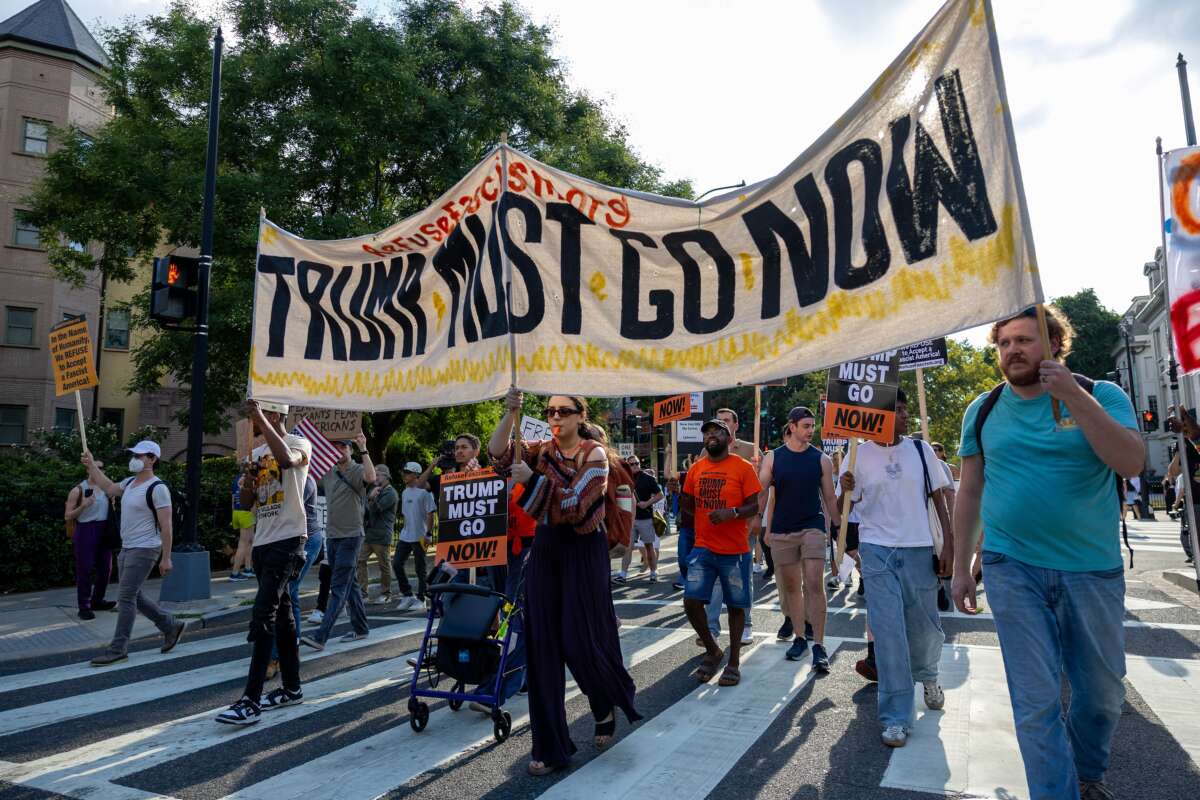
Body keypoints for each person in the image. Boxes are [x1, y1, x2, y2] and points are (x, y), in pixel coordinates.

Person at [952, 307, 1142, 800]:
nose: (1012, 350)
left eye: (1025, 340)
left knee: (1102, 697)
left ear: (1055, 344)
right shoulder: (984, 409)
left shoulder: (1102, 395)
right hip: (1011, 568)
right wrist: (960, 568)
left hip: (1091, 571)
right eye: (1003, 343)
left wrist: (1073, 397)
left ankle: (1088, 773)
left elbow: (1129, 460)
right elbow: (969, 491)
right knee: (1035, 701)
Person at [489, 389, 640, 776]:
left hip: (583, 550)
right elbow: (497, 453)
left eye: (563, 411)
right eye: (550, 411)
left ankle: (603, 702)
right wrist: (511, 413)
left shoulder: (595, 455)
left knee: (579, 640)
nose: (555, 416)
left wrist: (533, 481)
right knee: (542, 646)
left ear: (579, 416)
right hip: (547, 548)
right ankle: (550, 746)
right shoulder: (541, 450)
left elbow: (579, 508)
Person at [840, 389, 953, 748]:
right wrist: (845, 488)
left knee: (924, 629)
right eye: (899, 411)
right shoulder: (857, 454)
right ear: (881, 416)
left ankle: (929, 674)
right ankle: (895, 716)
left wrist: (949, 543)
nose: (906, 416)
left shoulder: (920, 450)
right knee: (888, 634)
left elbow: (939, 497)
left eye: (906, 410)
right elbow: (845, 504)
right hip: (877, 552)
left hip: (919, 549)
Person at [215, 400, 312, 724]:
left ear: (273, 415)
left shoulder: (298, 443)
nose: (252, 422)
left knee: (264, 613)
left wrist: (258, 418)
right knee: (283, 616)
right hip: (264, 541)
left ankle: (251, 700)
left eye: (258, 416)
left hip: (289, 540)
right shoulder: (256, 455)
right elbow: (246, 504)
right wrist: (246, 480)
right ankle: (292, 689)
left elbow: (286, 461)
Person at [82, 441, 185, 666]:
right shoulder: (129, 483)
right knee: (133, 594)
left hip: (146, 548)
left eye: (139, 455)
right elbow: (109, 487)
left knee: (126, 596)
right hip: (128, 547)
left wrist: (166, 557)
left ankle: (118, 649)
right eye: (133, 455)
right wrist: (92, 466)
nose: (134, 459)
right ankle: (170, 625)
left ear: (152, 459)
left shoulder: (158, 488)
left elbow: (167, 526)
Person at [681, 418, 761, 687]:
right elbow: (689, 508)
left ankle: (734, 661)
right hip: (703, 547)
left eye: (717, 431)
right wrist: (679, 494)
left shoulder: (743, 467)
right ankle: (713, 649)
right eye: (707, 432)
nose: (710, 435)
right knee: (691, 601)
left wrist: (733, 513)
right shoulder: (696, 469)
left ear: (729, 439)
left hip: (735, 551)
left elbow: (754, 506)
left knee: (736, 606)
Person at [758, 406, 839, 672]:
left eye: (812, 425)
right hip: (782, 530)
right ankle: (800, 638)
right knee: (792, 587)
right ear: (791, 427)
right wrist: (753, 523)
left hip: (812, 527)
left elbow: (829, 497)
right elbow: (761, 493)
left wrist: (838, 526)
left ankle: (819, 645)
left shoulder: (821, 459)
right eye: (805, 425)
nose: (810, 430)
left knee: (814, 582)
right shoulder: (772, 458)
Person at [302, 434, 375, 650]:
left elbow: (371, 478)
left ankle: (320, 637)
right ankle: (361, 628)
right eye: (335, 447)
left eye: (343, 447)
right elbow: (307, 477)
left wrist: (364, 448)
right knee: (350, 583)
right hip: (332, 537)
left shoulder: (357, 469)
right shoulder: (329, 472)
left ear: (350, 450)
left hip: (351, 536)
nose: (340, 450)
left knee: (339, 586)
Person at [266, 472, 324, 681]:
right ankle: (291, 650)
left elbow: (288, 510)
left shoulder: (304, 480)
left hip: (306, 540)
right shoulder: (280, 478)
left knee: (284, 593)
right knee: (290, 595)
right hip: (285, 541)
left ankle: (276, 657)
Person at [64, 465, 115, 620]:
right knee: (84, 569)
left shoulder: (108, 489)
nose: (98, 469)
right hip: (85, 530)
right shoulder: (78, 490)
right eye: (94, 466)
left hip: (104, 529)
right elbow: (68, 516)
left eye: (101, 468)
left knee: (106, 568)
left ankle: (97, 600)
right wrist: (83, 505)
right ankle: (84, 606)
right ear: (87, 469)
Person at [613, 456, 663, 583]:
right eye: (632, 464)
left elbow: (660, 494)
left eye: (637, 463)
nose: (635, 466)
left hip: (645, 518)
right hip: (630, 519)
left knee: (648, 546)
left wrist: (647, 503)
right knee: (628, 547)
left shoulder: (648, 478)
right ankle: (623, 575)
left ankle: (653, 572)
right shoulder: (624, 479)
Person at [394, 462, 435, 611]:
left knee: (420, 568)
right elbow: (406, 514)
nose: (404, 475)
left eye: (408, 472)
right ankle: (407, 595)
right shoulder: (405, 491)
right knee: (397, 564)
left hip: (420, 536)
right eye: (404, 472)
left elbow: (431, 513)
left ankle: (421, 598)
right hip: (406, 536)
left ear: (416, 474)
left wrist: (428, 534)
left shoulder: (425, 492)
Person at [360, 464, 397, 605]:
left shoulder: (390, 493)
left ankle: (386, 593)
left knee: (384, 565)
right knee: (360, 560)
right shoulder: (375, 490)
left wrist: (371, 498)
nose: (375, 477)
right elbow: (364, 508)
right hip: (369, 534)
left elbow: (376, 509)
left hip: (382, 535)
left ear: (386, 477)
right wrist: (370, 497)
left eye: (378, 474)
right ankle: (363, 593)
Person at [229, 459, 257, 581]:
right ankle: (235, 573)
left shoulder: (236, 479)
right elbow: (254, 497)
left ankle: (248, 568)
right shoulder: (251, 479)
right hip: (246, 512)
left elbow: (233, 497)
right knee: (244, 543)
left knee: (250, 541)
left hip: (236, 512)